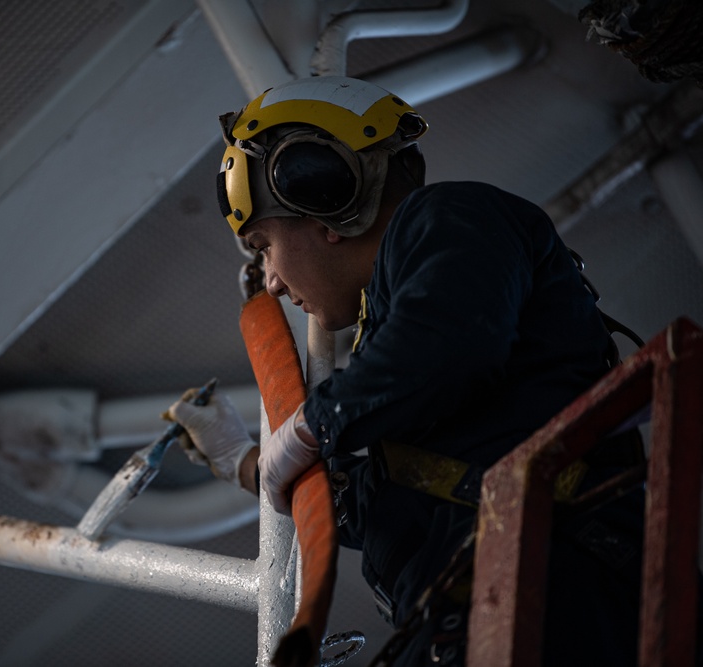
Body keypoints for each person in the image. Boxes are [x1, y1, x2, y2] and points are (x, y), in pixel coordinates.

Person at [166, 76, 665, 666]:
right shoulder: (410, 354)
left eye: (263, 244)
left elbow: (447, 348)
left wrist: (310, 428)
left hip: (554, 601)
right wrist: (243, 460)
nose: (271, 281)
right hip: (487, 613)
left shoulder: (450, 217)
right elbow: (383, 499)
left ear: (323, 199)